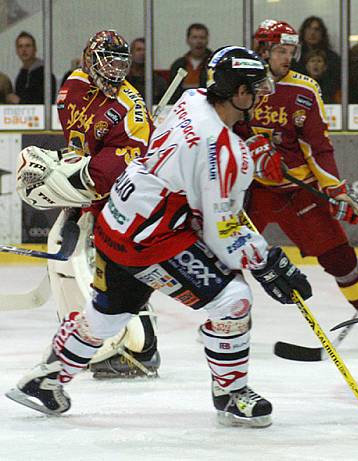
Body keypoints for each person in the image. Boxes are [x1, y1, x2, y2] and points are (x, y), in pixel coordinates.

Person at [8, 45, 313, 428]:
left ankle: (44, 380)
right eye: (256, 86)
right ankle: (232, 394)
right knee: (233, 300)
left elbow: (200, 184)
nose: (261, 93)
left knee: (107, 314)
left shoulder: (192, 99)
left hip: (116, 221)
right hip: (152, 240)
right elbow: (221, 232)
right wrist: (267, 262)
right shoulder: (224, 152)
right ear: (237, 93)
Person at [240, 20, 358, 343]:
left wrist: (336, 191)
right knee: (227, 251)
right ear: (263, 51)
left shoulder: (304, 90)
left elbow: (318, 147)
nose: (287, 57)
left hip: (299, 190)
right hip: (251, 190)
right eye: (280, 51)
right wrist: (250, 151)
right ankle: (228, 316)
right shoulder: (240, 83)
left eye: (291, 51)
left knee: (340, 257)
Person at [29, 30, 162, 379]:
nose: (115, 72)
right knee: (61, 254)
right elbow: (76, 142)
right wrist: (66, 171)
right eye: (109, 62)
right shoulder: (72, 87)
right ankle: (82, 340)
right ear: (90, 60)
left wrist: (63, 183)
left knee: (120, 268)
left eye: (122, 64)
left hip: (124, 201)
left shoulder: (130, 113)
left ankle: (143, 348)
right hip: (91, 195)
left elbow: (114, 174)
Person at [294, 16, 341, 101]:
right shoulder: (295, 58)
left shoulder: (333, 58)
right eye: (309, 29)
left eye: (316, 29)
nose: (312, 33)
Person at [8, 31, 55, 104]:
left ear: (35, 49)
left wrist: (19, 101)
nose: (24, 50)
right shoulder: (21, 75)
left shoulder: (45, 75)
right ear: (17, 51)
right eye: (20, 46)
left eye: (27, 46)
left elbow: (46, 104)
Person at [168, 23, 211, 102]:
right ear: (188, 40)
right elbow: (172, 93)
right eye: (194, 37)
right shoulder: (178, 65)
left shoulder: (214, 64)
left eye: (202, 37)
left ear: (207, 40)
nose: (199, 41)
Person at [127, 37, 167, 103]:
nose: (142, 53)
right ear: (131, 53)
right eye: (138, 50)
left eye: (146, 50)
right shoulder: (124, 81)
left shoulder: (159, 82)